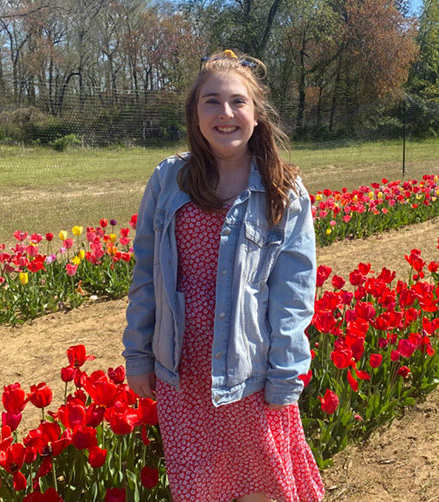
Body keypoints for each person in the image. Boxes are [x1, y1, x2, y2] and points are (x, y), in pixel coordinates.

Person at [122, 50, 325, 502]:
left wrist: (285, 375)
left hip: (248, 369)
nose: (225, 113)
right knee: (202, 487)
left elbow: (292, 294)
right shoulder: (169, 179)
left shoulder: (283, 191)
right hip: (183, 370)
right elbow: (146, 271)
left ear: (256, 115)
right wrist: (138, 353)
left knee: (261, 487)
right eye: (211, 101)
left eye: (237, 102)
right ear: (195, 114)